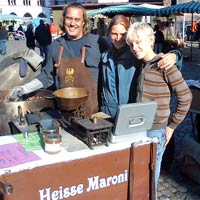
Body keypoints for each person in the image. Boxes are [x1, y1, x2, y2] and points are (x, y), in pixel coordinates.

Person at [126, 22, 192, 200]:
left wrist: (171, 126)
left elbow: (186, 97)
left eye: (138, 42)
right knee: (140, 175)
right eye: (131, 44)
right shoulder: (142, 63)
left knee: (150, 178)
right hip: (139, 128)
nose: (135, 48)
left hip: (156, 130)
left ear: (150, 40)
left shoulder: (164, 65)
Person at [9, 3, 109, 115]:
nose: (72, 23)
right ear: (64, 20)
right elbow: (47, 76)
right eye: (69, 18)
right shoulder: (56, 46)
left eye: (77, 19)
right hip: (63, 114)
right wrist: (25, 88)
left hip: (93, 113)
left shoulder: (98, 43)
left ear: (83, 22)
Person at [98, 15, 183, 120]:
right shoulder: (105, 56)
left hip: (128, 114)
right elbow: (101, 86)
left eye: (123, 34)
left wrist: (175, 55)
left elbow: (153, 58)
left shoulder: (136, 55)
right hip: (107, 114)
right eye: (114, 34)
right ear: (109, 34)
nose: (118, 38)